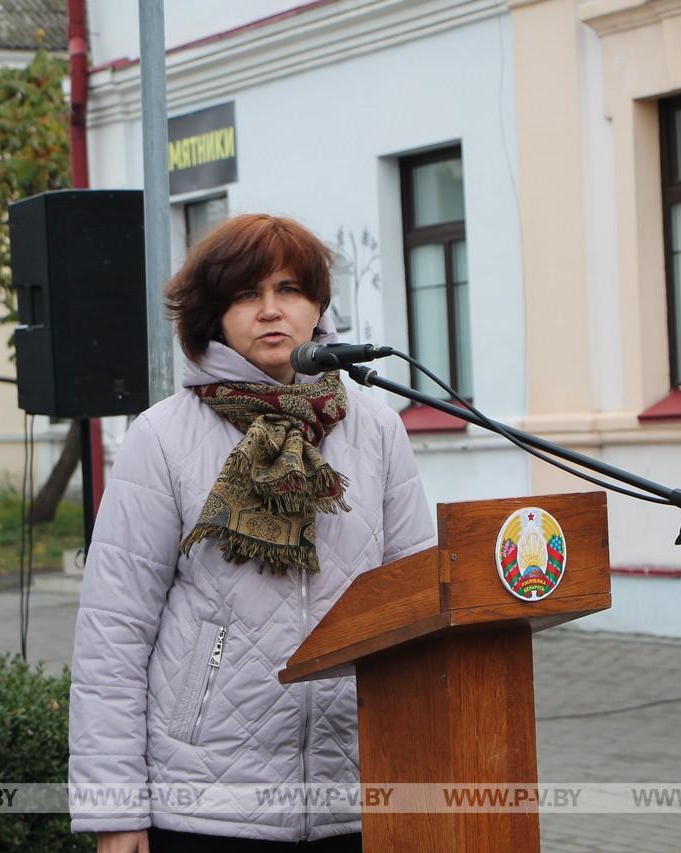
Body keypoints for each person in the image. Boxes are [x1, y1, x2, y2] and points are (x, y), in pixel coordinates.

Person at [69, 214, 437, 852]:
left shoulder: (376, 431)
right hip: (206, 801)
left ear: (318, 306)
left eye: (290, 290)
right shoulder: (161, 438)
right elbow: (113, 635)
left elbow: (419, 601)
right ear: (213, 314)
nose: (272, 310)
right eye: (246, 294)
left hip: (357, 790)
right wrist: (114, 808)